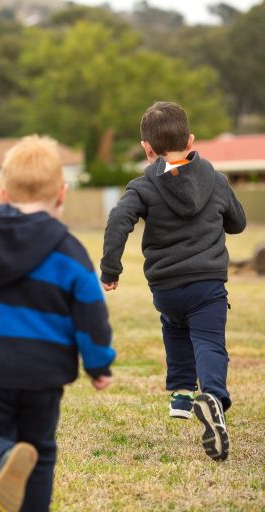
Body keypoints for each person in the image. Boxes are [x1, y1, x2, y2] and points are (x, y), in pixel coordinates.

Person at [0, 135, 115, 512]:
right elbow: (91, 315)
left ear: (2, 193)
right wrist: (98, 364)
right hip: (43, 376)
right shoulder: (71, 251)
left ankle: (0, 457)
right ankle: (13, 466)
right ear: (62, 193)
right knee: (39, 455)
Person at [100, 101, 246, 461]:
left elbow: (119, 221)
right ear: (191, 139)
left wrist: (110, 269)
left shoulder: (142, 186)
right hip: (207, 282)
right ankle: (211, 395)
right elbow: (238, 222)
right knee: (209, 341)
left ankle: (181, 392)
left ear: (147, 148)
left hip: (166, 286)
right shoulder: (216, 179)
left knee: (174, 325)